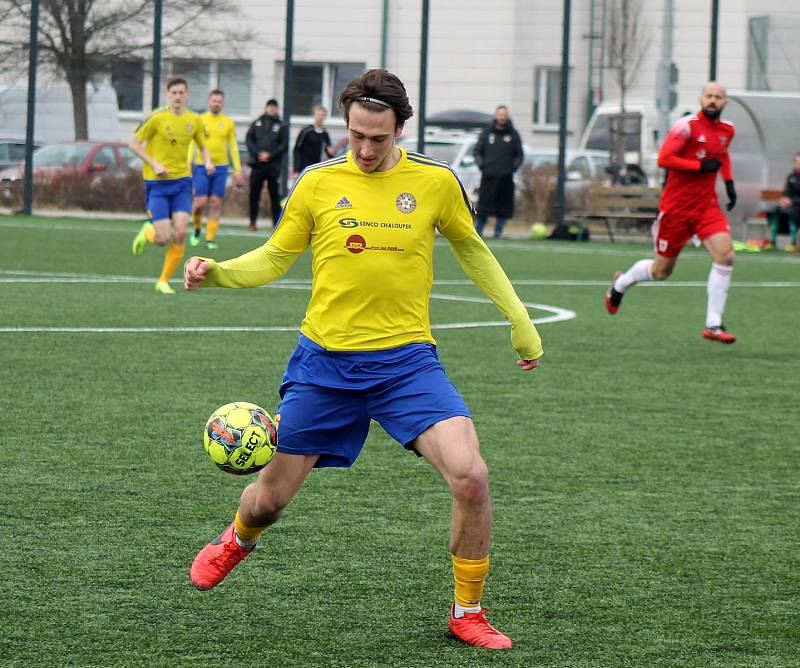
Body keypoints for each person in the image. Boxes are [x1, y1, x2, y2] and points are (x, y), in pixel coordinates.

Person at [184, 68, 543, 650]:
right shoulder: (317, 183)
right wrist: (219, 272)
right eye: (356, 136)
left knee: (472, 477)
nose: (366, 149)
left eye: (378, 137)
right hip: (324, 365)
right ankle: (237, 538)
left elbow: (474, 252)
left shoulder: (435, 182)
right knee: (270, 501)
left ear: (401, 128)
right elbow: (276, 257)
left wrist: (520, 321)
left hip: (407, 365)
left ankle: (467, 611)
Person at [604, 81, 739, 344]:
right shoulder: (686, 126)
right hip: (676, 209)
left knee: (726, 256)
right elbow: (665, 159)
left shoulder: (727, 130)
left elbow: (722, 156)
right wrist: (699, 166)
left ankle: (713, 323)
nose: (713, 100)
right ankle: (620, 284)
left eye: (718, 97)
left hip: (706, 207)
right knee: (661, 271)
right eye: (709, 96)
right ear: (701, 99)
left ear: (725, 102)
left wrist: (730, 183)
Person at [129, 76, 213, 294]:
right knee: (162, 238)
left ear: (187, 95)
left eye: (181, 93)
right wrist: (155, 163)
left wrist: (208, 161)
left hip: (182, 182)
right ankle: (148, 232)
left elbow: (203, 146)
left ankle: (163, 281)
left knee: (180, 233)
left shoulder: (194, 120)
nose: (177, 96)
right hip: (157, 183)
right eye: (174, 93)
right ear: (168, 94)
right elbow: (134, 144)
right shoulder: (156, 118)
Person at [189, 89, 242, 251]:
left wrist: (237, 169)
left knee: (216, 202)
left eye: (219, 101)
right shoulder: (200, 119)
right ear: (208, 101)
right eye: (214, 100)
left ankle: (210, 239)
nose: (216, 103)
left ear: (223, 103)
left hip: (221, 167)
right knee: (200, 202)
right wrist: (187, 163)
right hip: (201, 165)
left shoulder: (228, 122)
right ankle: (197, 228)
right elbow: (192, 142)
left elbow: (232, 146)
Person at [472, 105, 523, 239]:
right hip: (488, 177)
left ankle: (498, 232)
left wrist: (512, 168)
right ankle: (479, 231)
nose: (502, 117)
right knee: (484, 207)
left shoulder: (513, 134)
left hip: (506, 178)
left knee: (504, 207)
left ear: (507, 116)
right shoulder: (487, 132)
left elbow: (519, 155)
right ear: (496, 115)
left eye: (504, 115)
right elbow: (477, 151)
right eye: (500, 115)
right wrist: (482, 165)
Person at [245, 98, 289, 232]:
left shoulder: (282, 125)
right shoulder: (257, 123)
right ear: (266, 108)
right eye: (269, 107)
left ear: (277, 109)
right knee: (254, 194)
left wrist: (270, 155)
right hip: (257, 165)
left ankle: (275, 224)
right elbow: (249, 140)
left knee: (274, 196)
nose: (271, 109)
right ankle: (252, 222)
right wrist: (258, 154)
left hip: (273, 167)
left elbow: (284, 145)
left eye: (274, 107)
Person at [292, 105, 334, 174]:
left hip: (316, 167)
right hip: (303, 167)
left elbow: (329, 153)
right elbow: (297, 149)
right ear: (313, 116)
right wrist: (296, 169)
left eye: (322, 115)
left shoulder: (325, 133)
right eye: (318, 115)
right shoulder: (306, 131)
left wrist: (330, 152)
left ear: (325, 117)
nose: (320, 117)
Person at [775, 153, 800, 252]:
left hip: (796, 205)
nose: (798, 165)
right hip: (793, 206)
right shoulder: (791, 177)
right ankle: (792, 241)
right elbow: (786, 192)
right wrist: (784, 199)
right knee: (778, 211)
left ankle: (796, 242)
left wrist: (792, 200)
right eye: (797, 163)